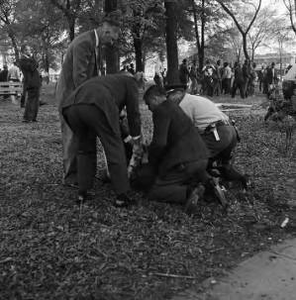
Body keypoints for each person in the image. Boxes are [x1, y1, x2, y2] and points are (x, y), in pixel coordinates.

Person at [56, 15, 120, 187]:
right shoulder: (85, 43)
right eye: (112, 39)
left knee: (83, 134)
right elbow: (80, 78)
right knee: (72, 137)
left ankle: (83, 173)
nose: (112, 43)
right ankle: (70, 177)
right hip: (70, 97)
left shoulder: (93, 43)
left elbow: (93, 77)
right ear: (106, 31)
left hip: (79, 96)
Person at [61, 73, 142, 206]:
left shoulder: (109, 80)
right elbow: (134, 113)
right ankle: (121, 196)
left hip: (71, 106)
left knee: (84, 149)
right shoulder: (130, 82)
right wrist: (136, 138)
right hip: (97, 103)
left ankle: (82, 193)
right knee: (114, 147)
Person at [141, 85, 212, 211]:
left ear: (155, 98)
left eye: (148, 104)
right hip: (202, 157)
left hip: (186, 160)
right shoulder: (175, 107)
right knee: (190, 175)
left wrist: (150, 160)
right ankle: (210, 184)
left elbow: (159, 143)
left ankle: (190, 193)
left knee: (155, 190)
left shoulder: (161, 110)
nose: (149, 108)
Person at [166, 87, 248, 189]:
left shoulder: (183, 105)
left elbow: (184, 132)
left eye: (168, 97)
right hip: (231, 132)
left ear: (177, 95)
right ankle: (239, 180)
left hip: (218, 134)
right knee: (221, 164)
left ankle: (208, 187)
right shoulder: (196, 99)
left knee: (193, 159)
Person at [18, 45, 41, 122]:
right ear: (24, 51)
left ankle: (33, 117)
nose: (30, 51)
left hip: (35, 82)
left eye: (30, 49)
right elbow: (31, 67)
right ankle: (27, 118)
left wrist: (34, 59)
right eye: (28, 50)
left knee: (36, 100)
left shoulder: (29, 59)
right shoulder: (22, 60)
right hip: (30, 82)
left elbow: (36, 65)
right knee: (31, 100)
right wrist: (34, 59)